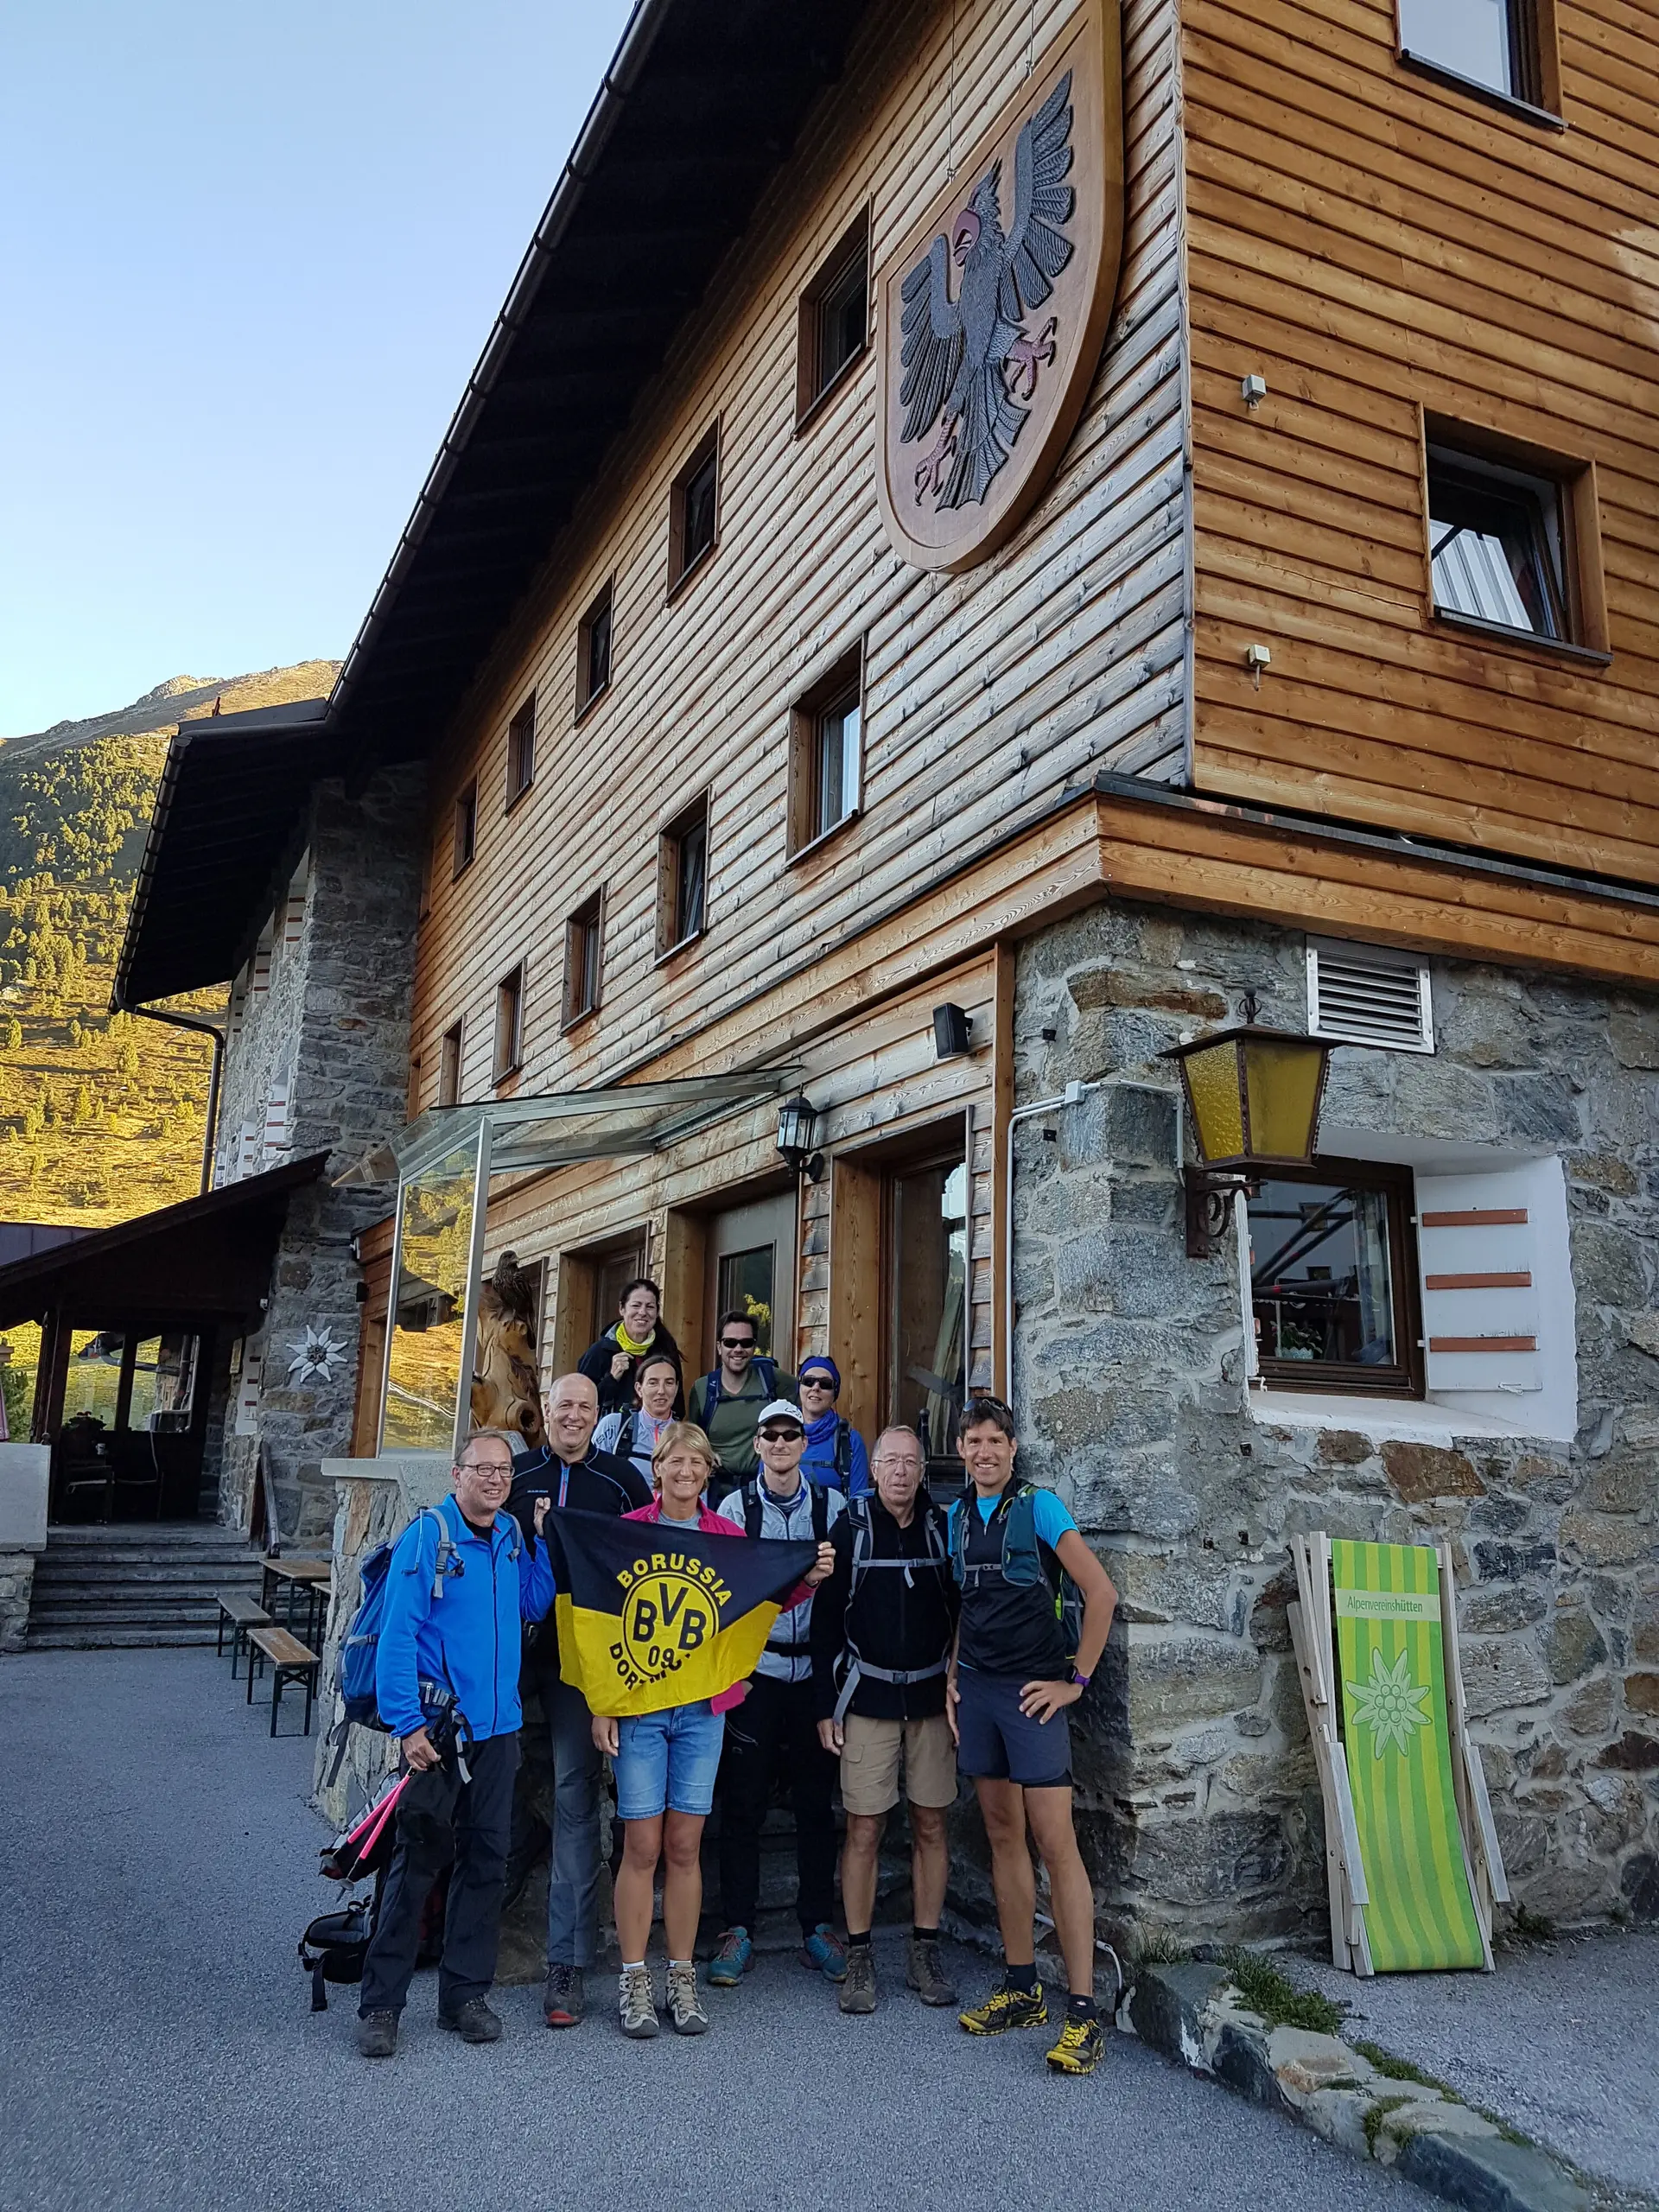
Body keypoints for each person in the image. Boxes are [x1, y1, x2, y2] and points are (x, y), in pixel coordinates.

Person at [594, 1421, 834, 2038]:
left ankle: (680, 1974)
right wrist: (603, 1703)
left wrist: (804, 1579)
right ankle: (634, 1977)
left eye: (695, 1463)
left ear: (707, 1472)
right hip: (643, 1707)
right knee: (641, 1846)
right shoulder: (633, 1532)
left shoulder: (726, 1534)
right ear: (659, 1468)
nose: (684, 1472)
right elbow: (600, 1621)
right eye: (674, 1461)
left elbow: (760, 1597)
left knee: (685, 1847)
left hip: (703, 1712)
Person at [356, 1430, 555, 2058]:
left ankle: (465, 1995)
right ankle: (382, 2005)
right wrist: (408, 1725)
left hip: (498, 1733)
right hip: (439, 1734)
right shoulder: (430, 1536)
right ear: (456, 1473)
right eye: (483, 1469)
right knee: (415, 1865)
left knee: (486, 1863)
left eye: (504, 1470)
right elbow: (397, 1636)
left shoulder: (509, 1537)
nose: (496, 1479)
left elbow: (532, 1601)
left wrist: (544, 1542)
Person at [946, 1396, 1118, 2076]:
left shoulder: (1040, 1506)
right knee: (1000, 1835)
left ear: (1013, 1448)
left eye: (996, 1441)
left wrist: (1075, 1682)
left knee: (1055, 1842)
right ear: (961, 1449)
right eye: (973, 1441)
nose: (984, 1452)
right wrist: (951, 1678)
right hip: (980, 1692)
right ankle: (1022, 1988)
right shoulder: (956, 1517)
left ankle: (1083, 2013)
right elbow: (966, 1604)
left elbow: (1099, 1595)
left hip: (1033, 1693)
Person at [506, 1372, 650, 2029]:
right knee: (472, 1780)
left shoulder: (622, 1480)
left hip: (579, 1663)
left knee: (574, 1795)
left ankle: (566, 1962)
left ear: (599, 1416)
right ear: (548, 1411)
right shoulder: (513, 1472)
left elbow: (645, 1567)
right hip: (509, 1652)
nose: (573, 1416)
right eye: (563, 1405)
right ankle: (452, 1933)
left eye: (585, 1407)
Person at [810, 1424, 958, 2014]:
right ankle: (861, 1955)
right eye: (889, 1462)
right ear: (872, 1471)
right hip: (866, 1699)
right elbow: (825, 1623)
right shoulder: (849, 1528)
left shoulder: (942, 1528)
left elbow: (962, 1611)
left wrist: (956, 1677)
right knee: (865, 1828)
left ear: (923, 1472)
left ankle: (925, 1951)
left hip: (928, 1702)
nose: (900, 1472)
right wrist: (825, 1704)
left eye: (910, 1463)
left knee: (930, 1825)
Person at [708, 1400, 846, 1991]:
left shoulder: (832, 1505)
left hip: (815, 1670)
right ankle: (737, 1926)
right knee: (743, 1805)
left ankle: (817, 1924)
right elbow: (728, 1590)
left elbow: (844, 1589)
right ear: (757, 1444)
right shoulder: (735, 1507)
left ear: (804, 1444)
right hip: (757, 1670)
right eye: (772, 1434)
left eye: (792, 1433)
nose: (783, 1442)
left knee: (818, 1804)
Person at [686, 1310, 798, 1484]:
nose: (738, 1349)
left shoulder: (772, 1379)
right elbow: (690, 1439)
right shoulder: (703, 1388)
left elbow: (810, 1397)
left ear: (754, 1347)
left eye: (746, 1343)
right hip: (715, 1489)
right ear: (719, 1347)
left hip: (763, 1487)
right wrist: (704, 1455)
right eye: (730, 1342)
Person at [577, 1276, 683, 1416]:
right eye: (636, 1305)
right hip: (613, 1434)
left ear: (657, 1312)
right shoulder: (598, 1352)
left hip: (657, 1435)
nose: (643, 1312)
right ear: (622, 1309)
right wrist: (611, 1379)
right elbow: (580, 1405)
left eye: (650, 1307)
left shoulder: (666, 1350)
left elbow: (678, 1406)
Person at [594, 1350, 681, 1484]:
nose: (661, 1391)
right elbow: (593, 1477)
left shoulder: (686, 1437)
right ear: (639, 1389)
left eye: (669, 1383)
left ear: (676, 1388)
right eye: (653, 1383)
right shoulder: (614, 1426)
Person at [797, 1356, 871, 1499]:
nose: (815, 1388)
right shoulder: (777, 1434)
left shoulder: (850, 1441)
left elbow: (858, 1502)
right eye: (809, 1381)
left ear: (834, 1393)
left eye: (825, 1384)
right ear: (799, 1386)